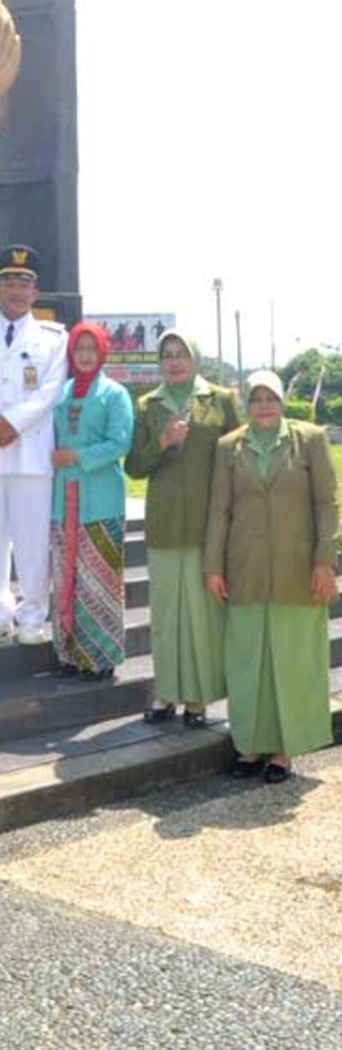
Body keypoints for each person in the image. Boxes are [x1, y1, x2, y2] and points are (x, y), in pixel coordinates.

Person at [205, 370, 338, 782]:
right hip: (244, 568)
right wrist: (213, 565)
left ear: (281, 401)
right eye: (257, 398)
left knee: (292, 661)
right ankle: (250, 746)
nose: (264, 405)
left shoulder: (310, 439)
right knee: (248, 662)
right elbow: (219, 510)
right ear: (247, 403)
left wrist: (324, 561)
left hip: (298, 571)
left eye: (271, 397)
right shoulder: (229, 446)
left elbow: (326, 504)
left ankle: (283, 750)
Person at [126, 329, 239, 726]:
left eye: (181, 353)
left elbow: (237, 460)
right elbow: (134, 466)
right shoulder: (146, 405)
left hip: (208, 526)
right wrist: (161, 441)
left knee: (203, 617)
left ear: (195, 358)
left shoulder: (221, 400)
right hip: (165, 527)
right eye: (167, 354)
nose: (174, 361)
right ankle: (165, 693)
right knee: (167, 615)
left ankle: (197, 698)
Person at [0, 245, 67, 642]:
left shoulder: (53, 337)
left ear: (35, 291)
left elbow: (52, 389)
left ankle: (32, 615)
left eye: (23, 282)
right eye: (8, 281)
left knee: (31, 540)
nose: (15, 289)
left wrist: (14, 423)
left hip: (30, 452)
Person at [50, 323, 134, 676]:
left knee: (98, 580)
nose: (84, 355)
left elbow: (120, 443)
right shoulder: (62, 392)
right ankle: (68, 655)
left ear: (101, 352)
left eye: (90, 348)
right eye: (78, 348)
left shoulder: (114, 394)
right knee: (65, 574)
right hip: (62, 499)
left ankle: (99, 657)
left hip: (99, 500)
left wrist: (78, 456)